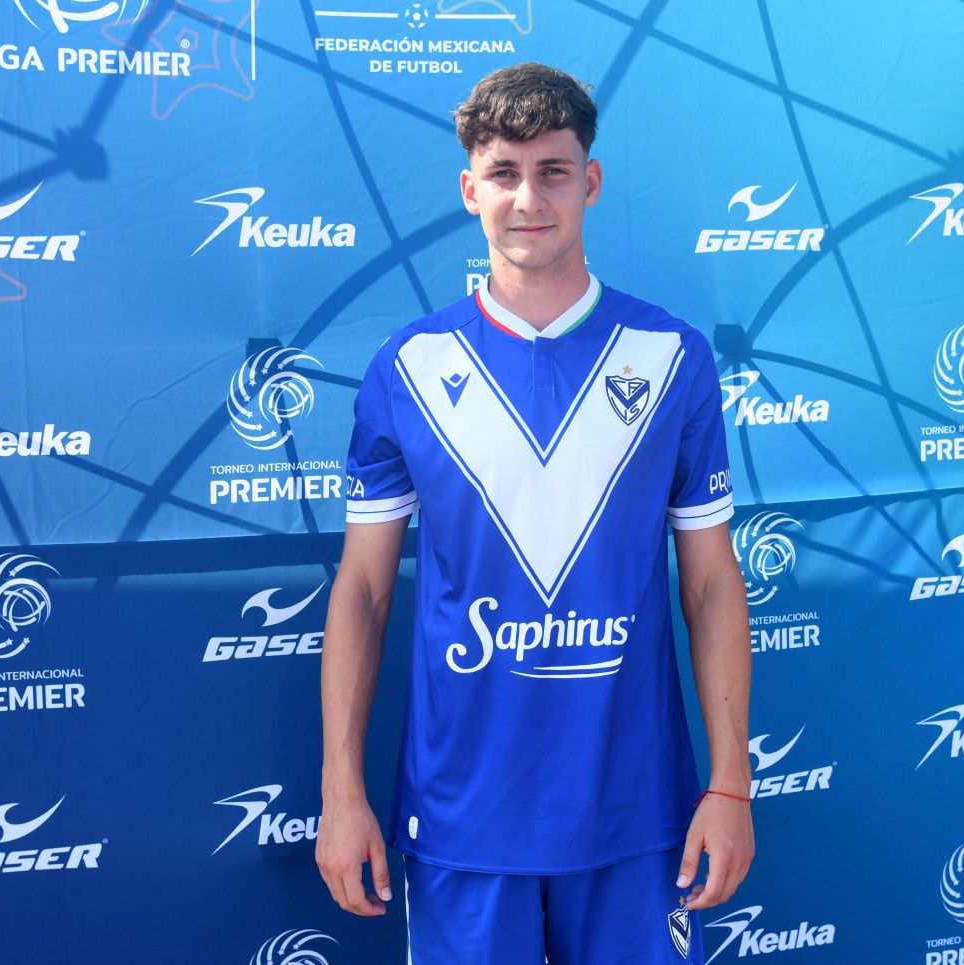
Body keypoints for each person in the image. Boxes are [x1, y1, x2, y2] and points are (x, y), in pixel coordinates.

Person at [315, 62, 753, 964]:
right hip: (461, 819)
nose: (528, 198)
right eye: (504, 173)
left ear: (590, 181)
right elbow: (362, 590)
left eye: (553, 171)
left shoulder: (671, 357)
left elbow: (711, 583)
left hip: (639, 816)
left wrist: (731, 783)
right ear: (469, 189)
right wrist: (341, 790)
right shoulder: (408, 367)